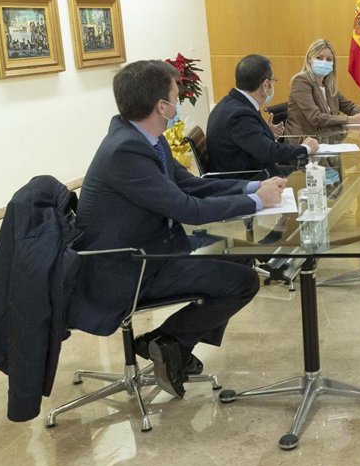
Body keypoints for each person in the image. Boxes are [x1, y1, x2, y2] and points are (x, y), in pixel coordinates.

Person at [71, 60, 287, 398]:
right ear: (162, 106)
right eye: (175, 97)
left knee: (242, 253)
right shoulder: (126, 151)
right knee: (243, 282)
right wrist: (256, 202)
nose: (178, 104)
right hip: (128, 266)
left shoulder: (145, 139)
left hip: (153, 247)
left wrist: (252, 188)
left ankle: (176, 346)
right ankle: (167, 341)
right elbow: (188, 209)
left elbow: (192, 185)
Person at [206, 54, 318, 176]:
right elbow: (269, 153)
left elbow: (250, 141)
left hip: (251, 170)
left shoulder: (234, 103)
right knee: (311, 174)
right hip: (246, 179)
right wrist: (305, 148)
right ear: (266, 85)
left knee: (308, 171)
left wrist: (265, 133)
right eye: (273, 80)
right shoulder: (240, 115)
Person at [285, 39, 360, 137]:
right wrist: (350, 120)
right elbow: (315, 118)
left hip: (328, 139)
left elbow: (349, 107)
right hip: (305, 141)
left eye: (329, 59)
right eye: (319, 58)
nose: (324, 62)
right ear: (309, 59)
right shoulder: (301, 81)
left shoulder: (327, 85)